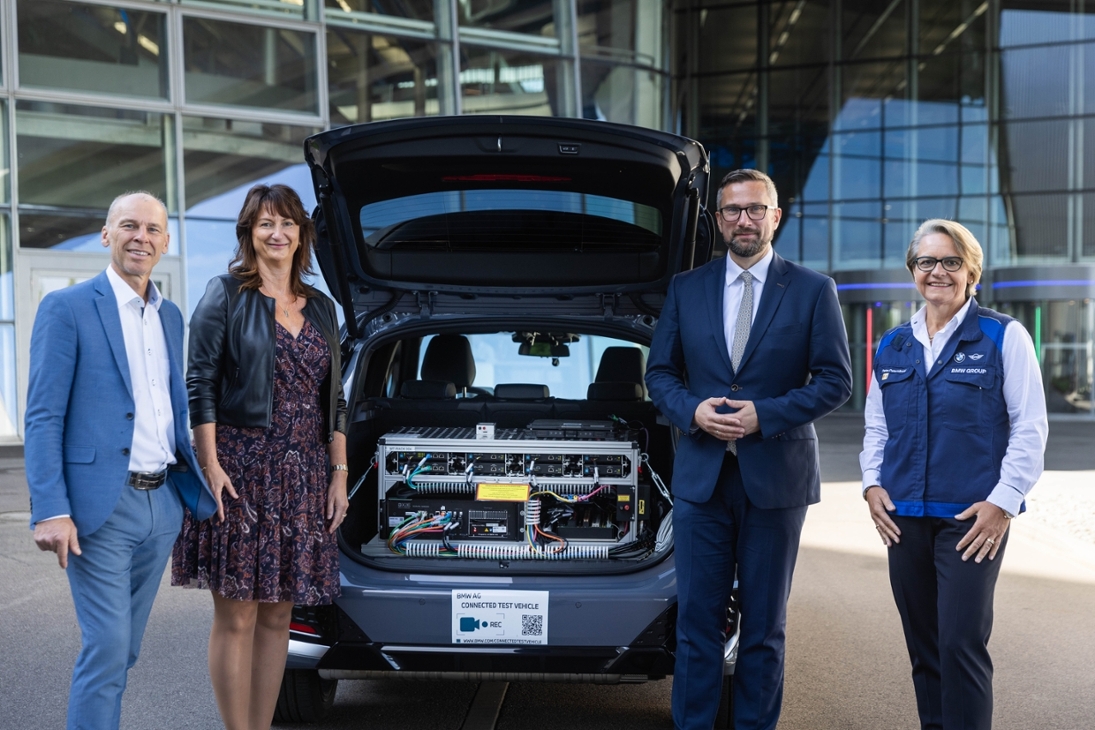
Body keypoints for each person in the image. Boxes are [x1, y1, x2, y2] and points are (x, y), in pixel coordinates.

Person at [646, 169, 852, 730]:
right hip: (701, 482)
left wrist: (768, 415)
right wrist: (692, 410)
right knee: (696, 626)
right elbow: (659, 373)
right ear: (717, 219)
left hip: (775, 481)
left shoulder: (813, 289)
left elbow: (836, 381)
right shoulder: (687, 288)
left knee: (764, 628)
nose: (745, 219)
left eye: (756, 209)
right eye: (733, 210)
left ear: (775, 217)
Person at [24, 192, 217, 730]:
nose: (142, 237)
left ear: (165, 242)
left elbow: (171, 408)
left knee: (125, 649)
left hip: (162, 507)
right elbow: (42, 416)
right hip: (98, 508)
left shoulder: (170, 315)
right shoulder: (67, 308)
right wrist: (50, 509)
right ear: (106, 235)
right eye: (129, 226)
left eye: (153, 229)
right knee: (107, 648)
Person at [172, 183, 348, 730]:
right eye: (265, 223)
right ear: (249, 233)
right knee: (239, 614)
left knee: (279, 616)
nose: (277, 233)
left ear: (302, 234)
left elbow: (335, 398)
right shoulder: (225, 293)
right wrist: (211, 464)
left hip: (305, 475)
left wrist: (338, 473)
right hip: (241, 469)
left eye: (288, 223)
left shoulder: (322, 308)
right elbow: (198, 381)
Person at [860, 219, 1047, 730]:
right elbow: (877, 427)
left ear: (971, 272)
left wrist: (1004, 501)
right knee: (923, 648)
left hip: (972, 520)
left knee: (960, 644)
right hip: (904, 518)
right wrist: (871, 485)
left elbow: (1031, 428)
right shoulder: (894, 344)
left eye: (950, 262)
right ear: (912, 271)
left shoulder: (1003, 336)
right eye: (926, 262)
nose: (937, 272)